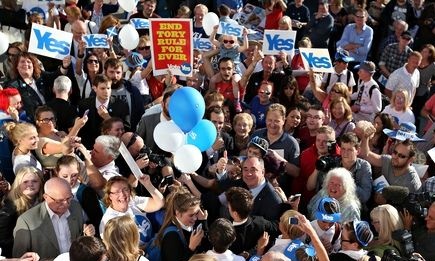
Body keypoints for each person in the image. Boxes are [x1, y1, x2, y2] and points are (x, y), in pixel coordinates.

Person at [13, 177, 95, 258]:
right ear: (46, 197)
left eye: (69, 198)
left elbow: (80, 238)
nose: (66, 204)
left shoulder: (75, 207)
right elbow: (20, 257)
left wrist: (88, 235)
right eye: (59, 201)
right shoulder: (26, 221)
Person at [5, 52, 71, 122]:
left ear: (33, 65)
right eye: (22, 62)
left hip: (53, 118)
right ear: (17, 66)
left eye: (29, 62)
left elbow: (55, 76)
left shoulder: (41, 76)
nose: (26, 64)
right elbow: (11, 106)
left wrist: (64, 66)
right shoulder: (13, 86)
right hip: (33, 122)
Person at [100, 176, 164, 245]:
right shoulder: (109, 221)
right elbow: (119, 250)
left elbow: (159, 203)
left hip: (154, 240)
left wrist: (148, 185)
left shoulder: (132, 201)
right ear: (110, 196)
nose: (122, 194)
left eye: (125, 189)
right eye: (117, 192)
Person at [360, 124, 422, 193]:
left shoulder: (412, 183)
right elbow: (366, 154)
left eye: (401, 156)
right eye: (395, 152)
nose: (395, 157)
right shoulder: (388, 160)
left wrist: (386, 201)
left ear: (411, 160)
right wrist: (365, 138)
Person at [152, 187, 207, 261]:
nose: (195, 218)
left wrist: (203, 221)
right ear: (178, 213)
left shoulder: (191, 223)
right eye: (191, 215)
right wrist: (191, 248)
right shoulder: (171, 237)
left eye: (196, 213)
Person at [0, 167, 43, 257]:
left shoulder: (43, 201)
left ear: (40, 183)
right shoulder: (10, 207)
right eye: (25, 182)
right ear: (18, 184)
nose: (30, 185)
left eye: (34, 181)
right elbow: (4, 239)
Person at [56, 155, 104, 236]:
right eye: (65, 176)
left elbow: (97, 219)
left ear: (79, 172)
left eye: (74, 175)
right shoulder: (53, 190)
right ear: (56, 173)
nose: (69, 180)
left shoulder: (85, 192)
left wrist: (91, 228)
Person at [225, 187, 279, 258]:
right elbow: (278, 227)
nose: (227, 207)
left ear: (235, 214)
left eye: (228, 206)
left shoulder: (227, 232)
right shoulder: (260, 222)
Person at [78, 74, 129, 149]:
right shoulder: (84, 104)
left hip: (113, 148)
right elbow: (82, 131)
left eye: (108, 88)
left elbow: (127, 129)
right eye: (102, 88)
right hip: (90, 148)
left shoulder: (121, 105)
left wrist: (108, 118)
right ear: (94, 88)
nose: (106, 91)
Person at [209, 26, 248, 111]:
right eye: (226, 41)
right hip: (223, 69)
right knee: (212, 80)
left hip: (235, 70)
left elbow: (245, 47)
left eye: (231, 41)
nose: (228, 43)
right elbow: (212, 40)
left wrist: (245, 35)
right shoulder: (222, 46)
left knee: (235, 81)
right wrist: (214, 30)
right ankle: (212, 97)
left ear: (235, 42)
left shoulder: (236, 48)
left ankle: (237, 101)